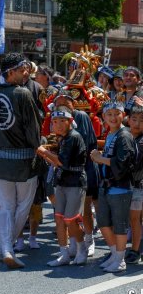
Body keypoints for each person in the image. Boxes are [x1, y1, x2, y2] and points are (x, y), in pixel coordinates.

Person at [0, 52, 42, 269]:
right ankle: (7, 248)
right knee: (22, 207)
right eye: (23, 70)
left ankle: (0, 249)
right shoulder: (23, 94)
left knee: (5, 207)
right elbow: (33, 130)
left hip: (0, 160)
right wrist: (39, 146)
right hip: (24, 161)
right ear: (10, 72)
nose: (26, 73)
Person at [37, 106, 88, 266]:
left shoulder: (73, 137)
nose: (58, 125)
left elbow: (61, 161)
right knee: (59, 219)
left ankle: (82, 249)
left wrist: (42, 151)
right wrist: (44, 154)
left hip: (75, 183)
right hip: (63, 182)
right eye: (55, 121)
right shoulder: (64, 138)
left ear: (70, 121)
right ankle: (64, 254)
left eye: (62, 121)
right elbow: (59, 163)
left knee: (70, 220)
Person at [53, 90, 100, 257]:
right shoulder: (56, 118)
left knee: (85, 208)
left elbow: (87, 143)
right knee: (67, 212)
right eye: (59, 103)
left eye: (67, 103)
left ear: (74, 104)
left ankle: (89, 239)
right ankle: (74, 244)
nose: (63, 106)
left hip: (83, 167)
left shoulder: (80, 116)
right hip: (64, 170)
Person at [90, 101, 136, 272]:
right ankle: (115, 255)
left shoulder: (124, 135)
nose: (113, 117)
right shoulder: (111, 134)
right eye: (109, 114)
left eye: (117, 113)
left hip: (120, 186)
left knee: (119, 223)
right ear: (104, 117)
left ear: (123, 115)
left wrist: (100, 159)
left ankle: (120, 259)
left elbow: (123, 163)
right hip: (107, 185)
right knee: (103, 222)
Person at [125, 105, 143, 264]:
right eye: (134, 119)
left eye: (141, 120)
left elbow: (133, 164)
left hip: (139, 185)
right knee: (134, 219)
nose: (137, 123)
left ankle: (135, 250)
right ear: (129, 120)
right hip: (130, 184)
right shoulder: (126, 136)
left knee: (135, 218)